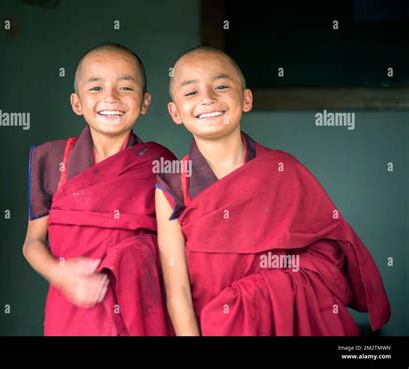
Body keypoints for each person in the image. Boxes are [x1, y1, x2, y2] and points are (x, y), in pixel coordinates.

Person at [155, 46, 390, 336]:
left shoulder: (283, 169)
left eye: (221, 86)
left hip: (289, 325)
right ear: (175, 112)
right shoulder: (172, 184)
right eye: (191, 92)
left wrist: (271, 286)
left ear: (246, 99)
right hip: (213, 326)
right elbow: (176, 290)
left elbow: (331, 255)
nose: (207, 98)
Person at [23, 43, 175, 336]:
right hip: (71, 308)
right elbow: (32, 243)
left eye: (126, 88)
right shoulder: (53, 159)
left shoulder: (160, 164)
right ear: (76, 103)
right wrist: (61, 274)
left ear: (145, 102)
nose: (111, 97)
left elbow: (175, 254)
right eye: (96, 88)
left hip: (141, 314)